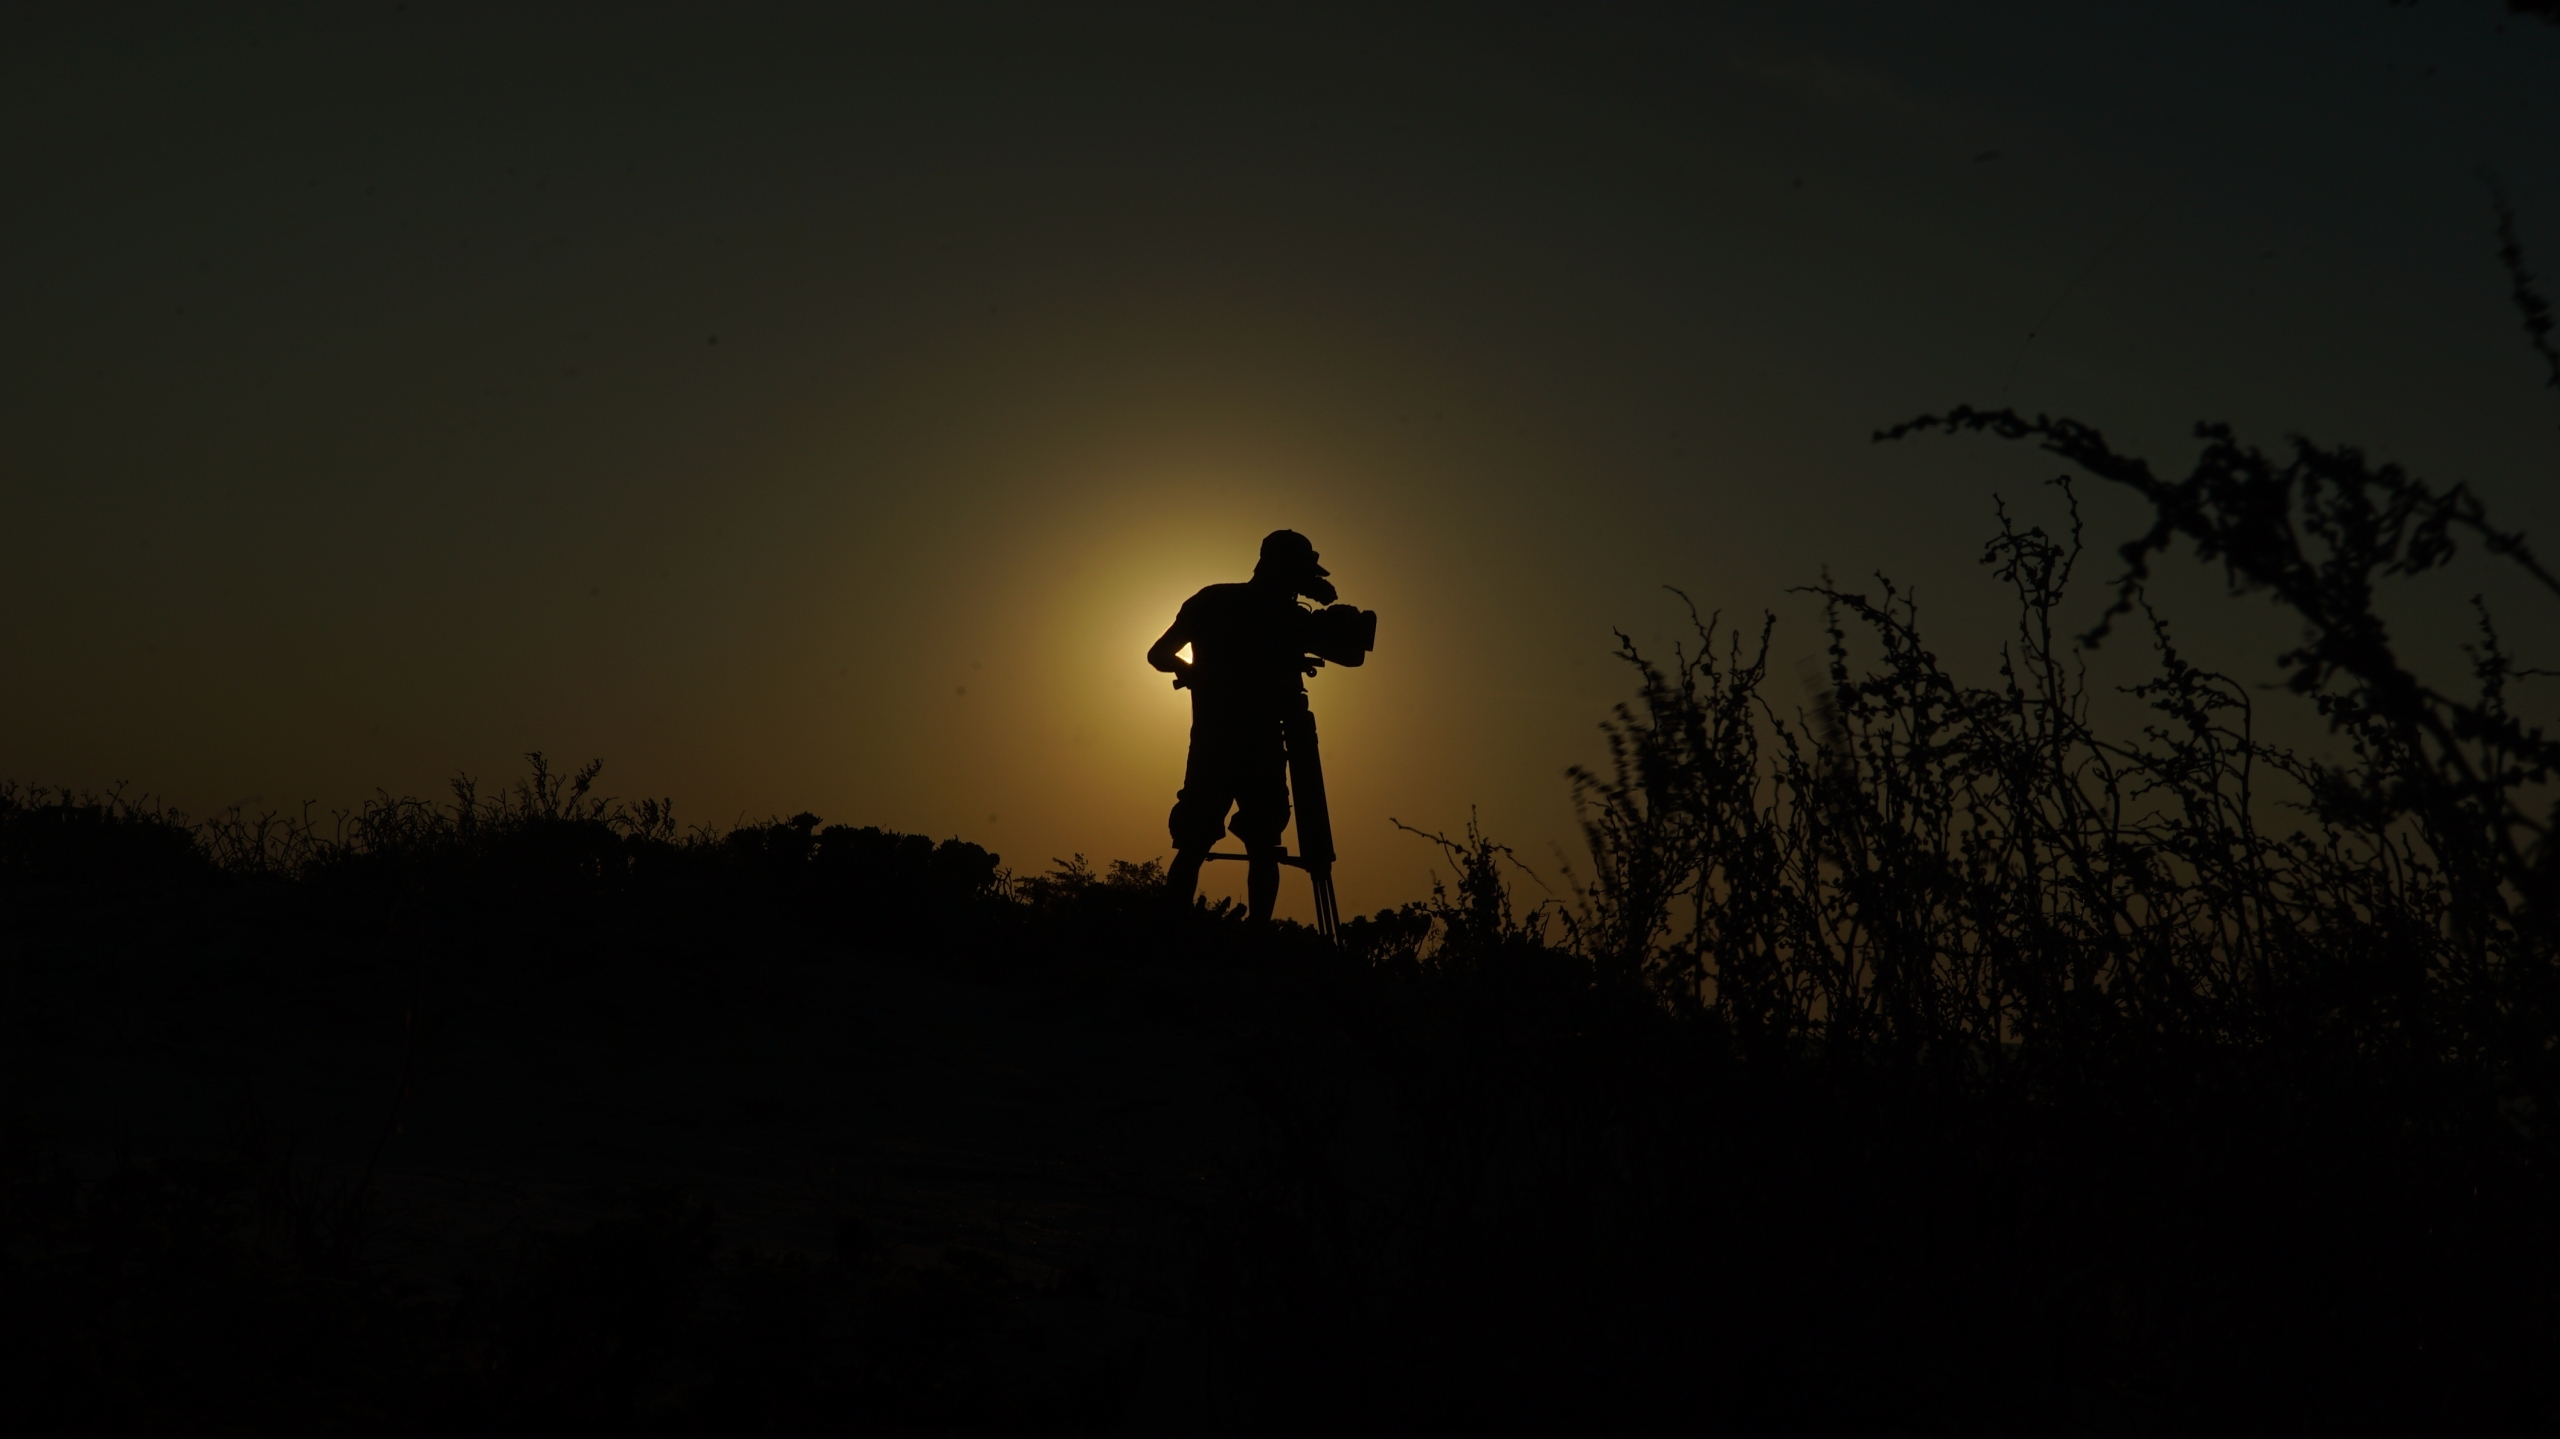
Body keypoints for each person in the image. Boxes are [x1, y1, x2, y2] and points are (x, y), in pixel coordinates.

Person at [1146, 529, 1355, 920]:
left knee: (1197, 844)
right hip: (1256, 746)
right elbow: (1352, 651)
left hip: (1216, 743)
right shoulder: (1284, 619)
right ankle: (1254, 938)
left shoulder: (1214, 601)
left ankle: (1171, 933)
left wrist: (1198, 673)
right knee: (1260, 845)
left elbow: (1159, 655)